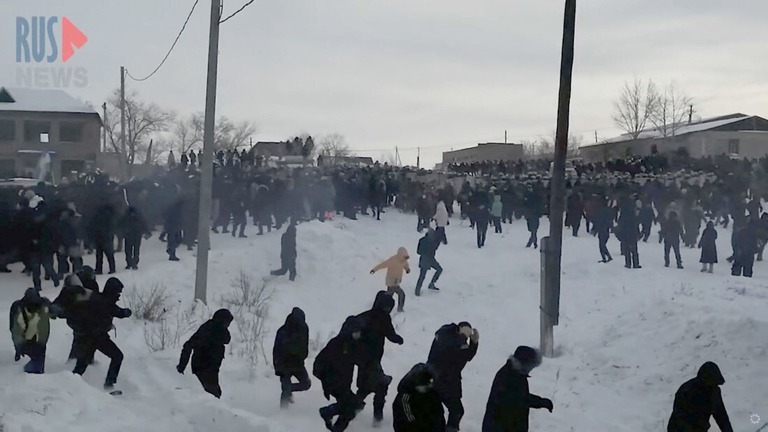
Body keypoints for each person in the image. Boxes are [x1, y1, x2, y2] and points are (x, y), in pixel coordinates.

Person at [72, 277, 132, 391]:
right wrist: (124, 312)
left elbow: (115, 311)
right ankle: (109, 384)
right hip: (95, 338)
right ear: (112, 291)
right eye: (118, 292)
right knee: (117, 356)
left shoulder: (100, 299)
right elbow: (115, 311)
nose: (119, 295)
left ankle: (71, 383)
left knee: (82, 365)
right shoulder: (104, 302)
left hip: (91, 337)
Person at [355, 291, 404, 426]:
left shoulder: (364, 316)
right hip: (373, 359)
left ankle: (353, 408)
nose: (388, 310)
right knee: (381, 386)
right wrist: (399, 339)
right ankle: (377, 418)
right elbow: (391, 335)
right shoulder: (384, 318)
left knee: (364, 387)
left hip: (362, 359)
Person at [482, 346, 553, 432]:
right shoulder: (508, 377)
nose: (531, 369)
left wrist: (541, 402)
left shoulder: (517, 374)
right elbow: (517, 400)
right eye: (531, 366)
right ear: (525, 363)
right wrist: (540, 402)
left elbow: (521, 396)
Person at [315, 316, 365, 432]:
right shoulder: (336, 344)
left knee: (353, 407)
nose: (358, 334)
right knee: (352, 405)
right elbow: (318, 364)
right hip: (334, 383)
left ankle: (334, 424)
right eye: (356, 331)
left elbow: (359, 360)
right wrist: (326, 380)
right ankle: (328, 412)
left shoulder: (352, 345)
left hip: (344, 383)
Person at [427, 321, 479, 432]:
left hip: (451, 381)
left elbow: (467, 356)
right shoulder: (446, 333)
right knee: (435, 410)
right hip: (436, 378)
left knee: (457, 410)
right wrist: (462, 336)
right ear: (458, 328)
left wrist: (474, 343)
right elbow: (445, 345)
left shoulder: (461, 342)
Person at [177, 308, 234, 399]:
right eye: (227, 323)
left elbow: (226, 339)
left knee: (213, 394)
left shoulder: (218, 330)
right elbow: (188, 345)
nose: (228, 326)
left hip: (211, 368)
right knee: (211, 395)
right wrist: (181, 367)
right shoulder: (207, 330)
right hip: (203, 368)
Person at [667, 361, 734, 432]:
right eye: (711, 384)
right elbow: (680, 418)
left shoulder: (714, 392)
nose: (714, 387)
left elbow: (721, 415)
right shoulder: (687, 391)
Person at [273, 307, 311, 408]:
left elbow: (305, 345)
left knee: (306, 384)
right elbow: (276, 350)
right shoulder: (283, 331)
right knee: (285, 388)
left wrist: (303, 356)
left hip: (297, 363)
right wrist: (277, 367)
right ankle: (283, 413)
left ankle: (288, 389)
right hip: (283, 364)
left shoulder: (304, 328)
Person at [10, 288, 53, 374]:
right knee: (33, 363)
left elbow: (54, 314)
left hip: (40, 340)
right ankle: (27, 375)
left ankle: (36, 375)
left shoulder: (44, 304)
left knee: (38, 362)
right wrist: (18, 346)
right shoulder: (18, 308)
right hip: (25, 340)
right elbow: (15, 329)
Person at [393, 363, 446, 432]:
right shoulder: (404, 396)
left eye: (426, 387)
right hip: (409, 425)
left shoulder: (433, 393)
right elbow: (405, 415)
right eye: (422, 387)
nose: (424, 389)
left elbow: (439, 413)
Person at [370, 247, 410, 312]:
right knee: (401, 294)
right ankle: (399, 308)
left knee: (389, 295)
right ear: (400, 255)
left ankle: (381, 304)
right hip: (391, 281)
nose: (405, 259)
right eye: (404, 257)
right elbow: (383, 264)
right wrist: (374, 269)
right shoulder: (393, 260)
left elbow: (406, 265)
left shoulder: (404, 260)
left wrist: (407, 269)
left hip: (396, 281)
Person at [120, 206, 151, 270]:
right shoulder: (139, 217)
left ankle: (129, 263)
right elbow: (143, 224)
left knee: (128, 250)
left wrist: (122, 233)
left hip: (128, 235)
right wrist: (147, 232)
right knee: (136, 250)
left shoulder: (125, 217)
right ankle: (135, 263)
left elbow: (121, 224)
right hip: (137, 235)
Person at [415, 229, 443, 296]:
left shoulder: (423, 240)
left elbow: (418, 251)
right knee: (423, 275)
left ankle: (419, 289)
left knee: (438, 270)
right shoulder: (432, 241)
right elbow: (434, 249)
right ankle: (418, 290)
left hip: (427, 258)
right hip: (427, 259)